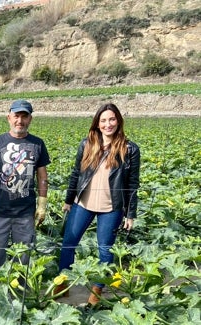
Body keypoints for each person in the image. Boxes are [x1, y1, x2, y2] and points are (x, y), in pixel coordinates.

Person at [54, 103, 140, 305]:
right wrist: (68, 200)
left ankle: (97, 292)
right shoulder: (87, 144)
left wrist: (130, 214)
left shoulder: (130, 149)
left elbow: (132, 184)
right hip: (82, 203)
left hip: (111, 208)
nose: (108, 124)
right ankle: (62, 284)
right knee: (68, 244)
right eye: (103, 120)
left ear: (118, 121)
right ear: (97, 123)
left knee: (105, 250)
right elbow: (76, 174)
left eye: (111, 119)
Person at [0, 99, 50, 271]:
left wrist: (42, 206)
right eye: (16, 116)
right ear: (9, 118)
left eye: (24, 116)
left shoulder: (38, 144)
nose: (20, 121)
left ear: (30, 119)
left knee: (23, 260)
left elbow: (42, 176)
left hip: (25, 213)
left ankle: (20, 292)